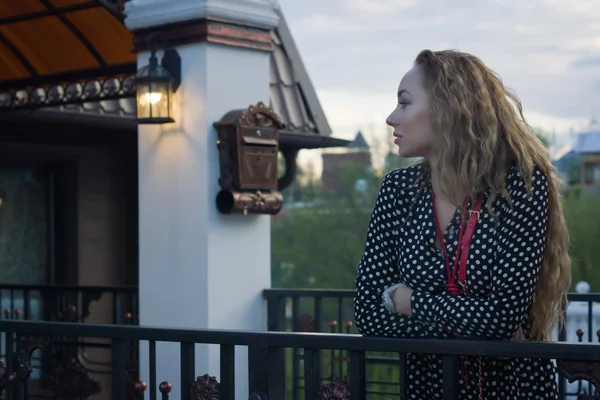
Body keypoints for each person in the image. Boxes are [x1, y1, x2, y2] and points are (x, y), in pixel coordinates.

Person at [353, 49, 572, 399]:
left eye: (404, 103)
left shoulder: (520, 186)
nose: (391, 118)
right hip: (429, 386)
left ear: (447, 109)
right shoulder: (398, 190)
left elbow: (502, 316)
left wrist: (409, 301)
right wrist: (471, 329)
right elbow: (367, 311)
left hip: (513, 387)